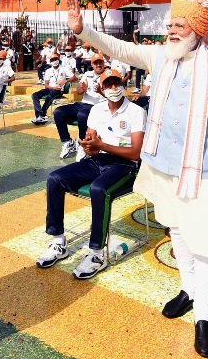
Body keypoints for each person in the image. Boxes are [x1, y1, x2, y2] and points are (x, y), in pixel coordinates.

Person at [66, 0, 208, 357]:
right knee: (178, 230)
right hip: (163, 164)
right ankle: (188, 289)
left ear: (198, 29)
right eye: (170, 25)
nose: (171, 31)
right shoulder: (161, 57)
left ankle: (203, 317)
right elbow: (118, 48)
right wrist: (82, 29)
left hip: (206, 170)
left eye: (179, 25)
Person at [36, 69, 145, 280]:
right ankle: (59, 242)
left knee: (99, 189)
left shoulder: (136, 112)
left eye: (117, 83)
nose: (114, 88)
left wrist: (101, 145)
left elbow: (136, 152)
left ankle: (97, 254)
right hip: (98, 160)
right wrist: (89, 147)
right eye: (109, 85)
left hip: (125, 166)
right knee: (54, 179)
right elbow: (91, 143)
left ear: (123, 84)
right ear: (101, 89)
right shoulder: (97, 110)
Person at [53, 53, 105, 160]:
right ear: (92, 64)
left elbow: (112, 96)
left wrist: (100, 91)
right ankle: (67, 141)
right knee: (58, 112)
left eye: (100, 62)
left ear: (104, 63)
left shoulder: (107, 75)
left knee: (82, 115)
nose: (98, 65)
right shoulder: (87, 74)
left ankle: (82, 143)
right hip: (83, 103)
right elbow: (79, 92)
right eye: (96, 63)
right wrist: (83, 88)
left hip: (98, 106)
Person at [30, 53, 77, 125]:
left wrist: (66, 81)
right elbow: (46, 85)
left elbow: (75, 78)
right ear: (50, 61)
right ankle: (39, 115)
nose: (54, 61)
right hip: (50, 88)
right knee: (34, 95)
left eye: (55, 59)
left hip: (58, 90)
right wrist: (52, 87)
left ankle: (42, 115)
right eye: (52, 60)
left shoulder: (63, 69)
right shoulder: (48, 71)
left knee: (49, 97)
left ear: (58, 60)